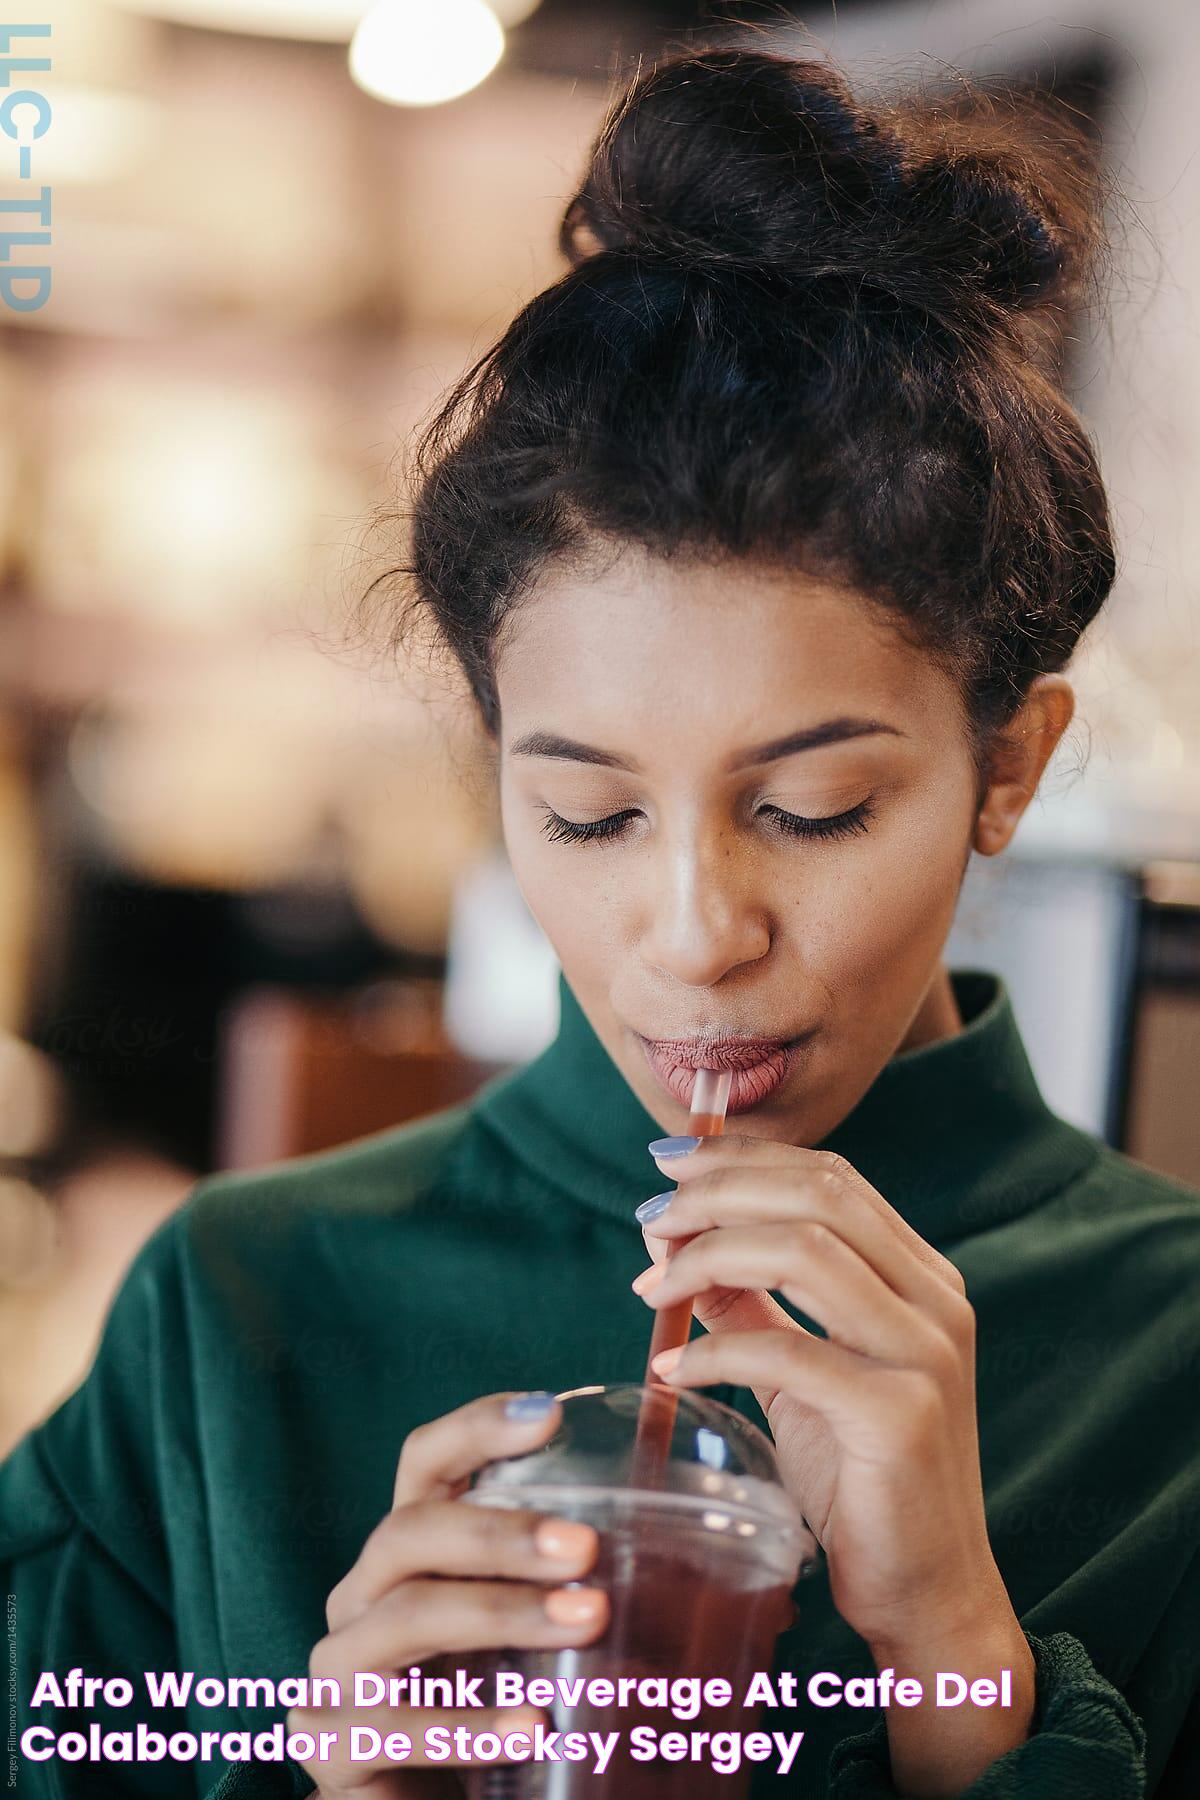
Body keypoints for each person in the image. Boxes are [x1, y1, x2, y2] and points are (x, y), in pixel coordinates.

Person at [4, 43, 1198, 1800]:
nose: (698, 930)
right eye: (589, 812)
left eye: (813, 808)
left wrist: (960, 1653)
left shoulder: (1171, 1359)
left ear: (1006, 767)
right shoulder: (235, 1311)